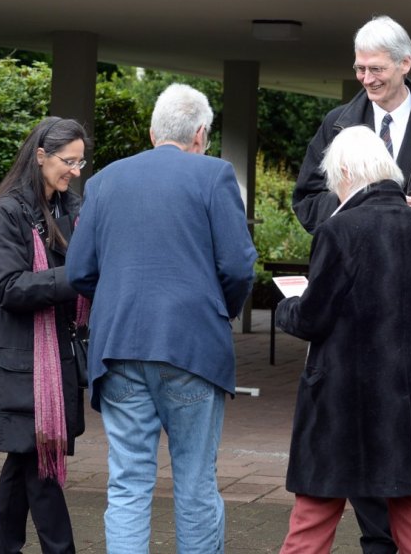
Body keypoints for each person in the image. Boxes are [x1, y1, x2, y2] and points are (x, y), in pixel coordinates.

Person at [292, 14, 411, 554]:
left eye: (376, 67)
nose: (365, 78)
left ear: (405, 64)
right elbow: (306, 201)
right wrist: (360, 207)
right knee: (375, 484)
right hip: (352, 318)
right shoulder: (336, 123)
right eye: (358, 67)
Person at [65, 83, 257, 554]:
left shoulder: (103, 181)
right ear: (200, 133)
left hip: (119, 346)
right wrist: (219, 310)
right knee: (194, 481)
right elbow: (236, 266)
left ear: (152, 133)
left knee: (128, 481)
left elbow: (78, 271)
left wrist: (116, 301)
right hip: (193, 346)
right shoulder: (214, 175)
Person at [276, 125, 411, 554]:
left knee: (314, 515)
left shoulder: (337, 231)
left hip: (342, 399)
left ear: (345, 171)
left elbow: (312, 318)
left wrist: (286, 306)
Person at [0, 117, 90, 553]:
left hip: (48, 360)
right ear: (41, 156)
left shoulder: (66, 206)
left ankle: (3, 548)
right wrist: (78, 276)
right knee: (40, 466)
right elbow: (8, 287)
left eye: (82, 162)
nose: (76, 171)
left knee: (23, 461)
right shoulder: (8, 212)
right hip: (19, 362)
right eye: (70, 161)